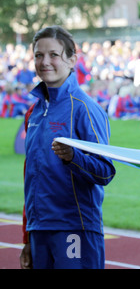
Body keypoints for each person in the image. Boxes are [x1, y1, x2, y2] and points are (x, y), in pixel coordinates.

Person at [20, 26, 116, 269]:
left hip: (75, 227)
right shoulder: (35, 111)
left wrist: (74, 157)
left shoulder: (85, 108)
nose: (45, 62)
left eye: (54, 54)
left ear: (72, 59)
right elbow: (31, 176)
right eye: (39, 55)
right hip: (39, 229)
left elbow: (106, 171)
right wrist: (28, 237)